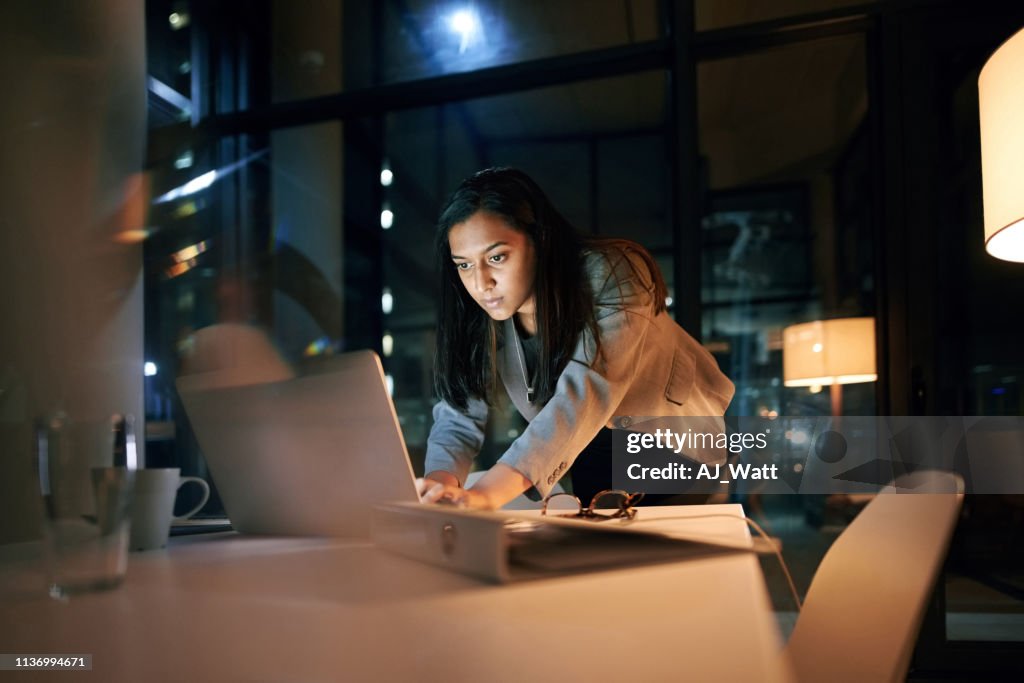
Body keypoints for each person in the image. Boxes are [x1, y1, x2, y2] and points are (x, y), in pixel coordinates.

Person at [420, 167, 734, 510]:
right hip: (588, 449)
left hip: (671, 444)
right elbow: (459, 415)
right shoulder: (484, 312)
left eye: (497, 257)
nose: (481, 283)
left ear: (539, 240)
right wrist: (439, 487)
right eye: (464, 265)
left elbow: (587, 389)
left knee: (644, 556)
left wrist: (485, 495)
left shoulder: (613, 272)